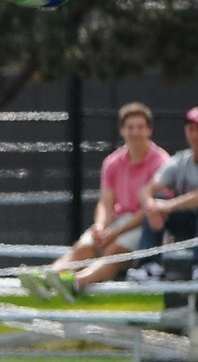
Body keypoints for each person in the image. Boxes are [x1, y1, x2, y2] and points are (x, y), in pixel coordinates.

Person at [20, 102, 168, 301]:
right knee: (84, 247)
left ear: (149, 130)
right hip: (118, 221)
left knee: (114, 251)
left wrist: (114, 233)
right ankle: (49, 277)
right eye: (130, 127)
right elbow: (106, 203)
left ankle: (74, 283)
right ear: (122, 130)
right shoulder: (112, 162)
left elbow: (152, 208)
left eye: (140, 127)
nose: (135, 132)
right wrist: (100, 227)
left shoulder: (161, 161)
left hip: (147, 225)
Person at [127, 106, 198, 284]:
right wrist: (152, 208)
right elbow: (146, 190)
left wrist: (168, 206)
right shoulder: (179, 161)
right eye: (190, 129)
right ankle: (149, 266)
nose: (194, 134)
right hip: (194, 230)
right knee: (158, 203)